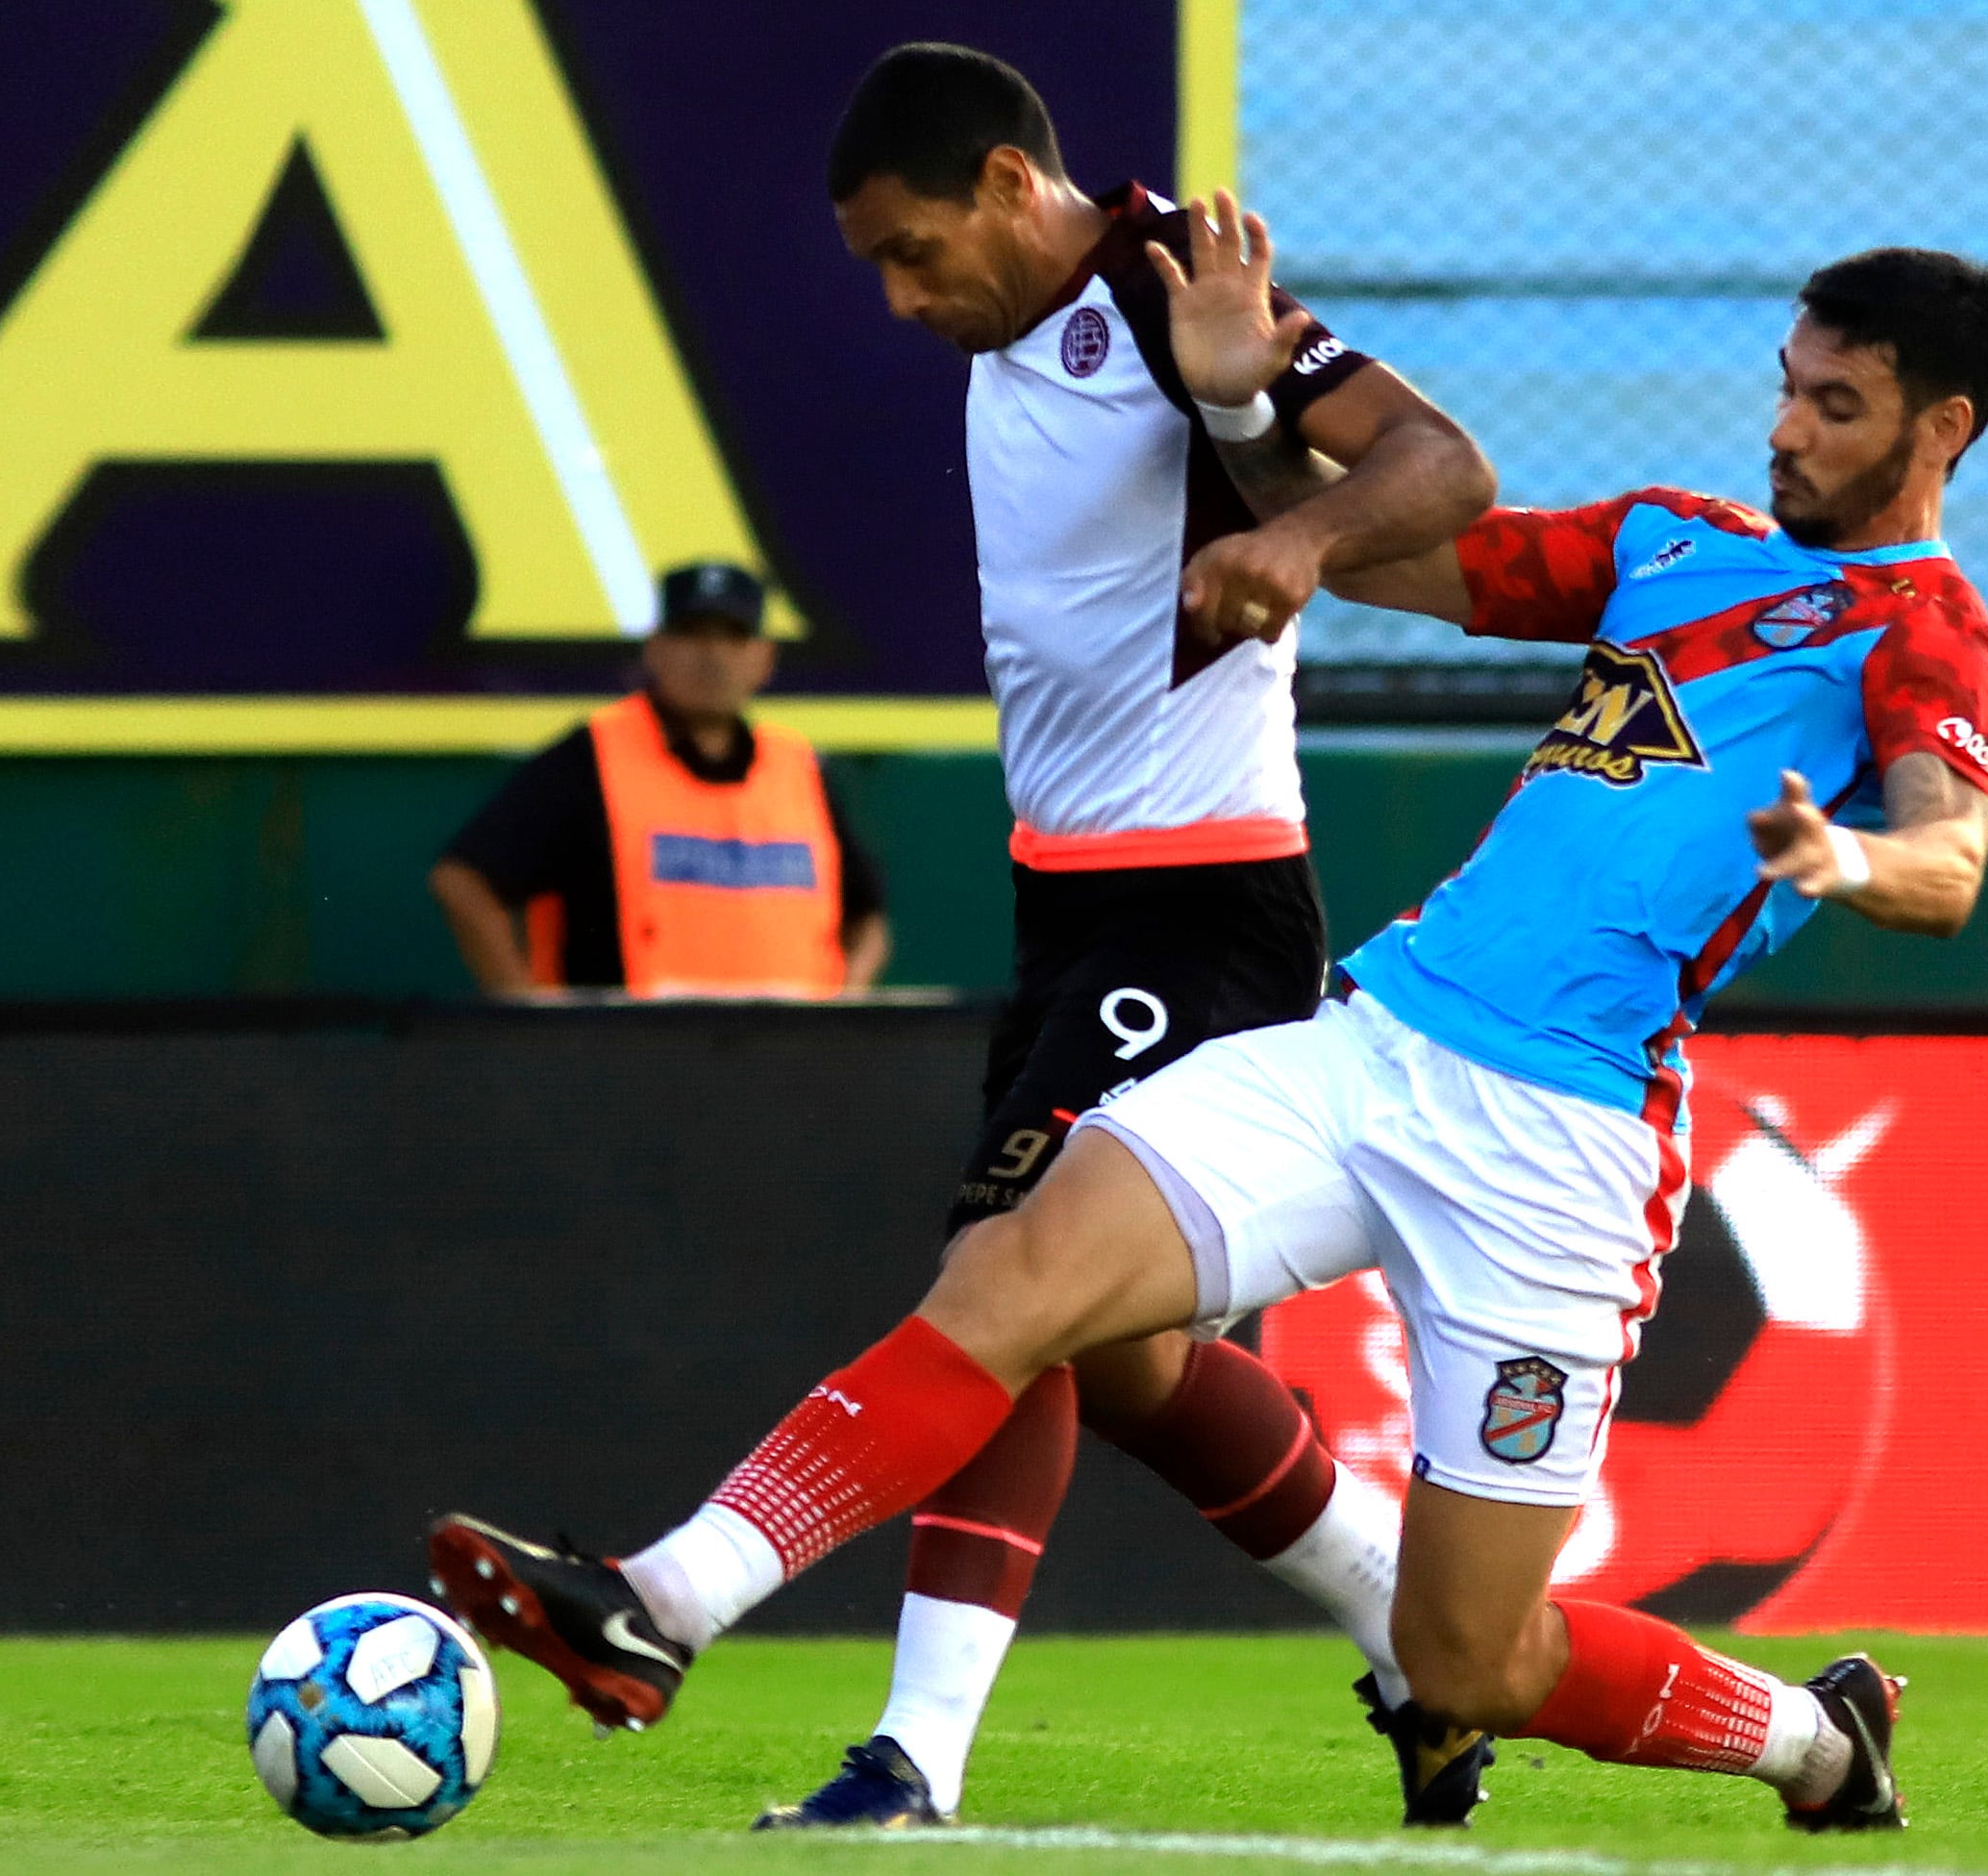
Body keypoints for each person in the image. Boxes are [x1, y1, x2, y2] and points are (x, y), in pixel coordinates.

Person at [425, 235, 1988, 1832]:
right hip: (1370, 1046)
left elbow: (1949, 865)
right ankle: (657, 1605)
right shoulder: (1679, 544)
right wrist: (1237, 408)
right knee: (1019, 1274)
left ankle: (1818, 1746)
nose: (1786, 430)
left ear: (1936, 430)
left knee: (1470, 1656)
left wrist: (1853, 858)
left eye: (1835, 405)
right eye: (1787, 391)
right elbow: (1390, 562)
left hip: (1559, 1153)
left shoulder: (1925, 632)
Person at [585, 46, 1495, 1829]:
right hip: (1074, 897)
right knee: (1127, 1364)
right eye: (876, 270)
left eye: (914, 253)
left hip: (1196, 898)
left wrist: (1298, 533)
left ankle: (877, 1731)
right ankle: (1421, 1641)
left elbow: (1445, 468)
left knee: (1003, 1277)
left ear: (1013, 180)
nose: (901, 299)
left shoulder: (1174, 294)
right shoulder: (1020, 332)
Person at [430, 562, 889, 999]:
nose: (712, 657)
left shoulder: (800, 767)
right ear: (656, 650)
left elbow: (867, 919)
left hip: (790, 1064)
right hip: (628, 1065)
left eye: (733, 637)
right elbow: (463, 880)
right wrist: (526, 1017)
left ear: (764, 659)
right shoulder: (592, 757)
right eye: (692, 635)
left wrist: (845, 1004)